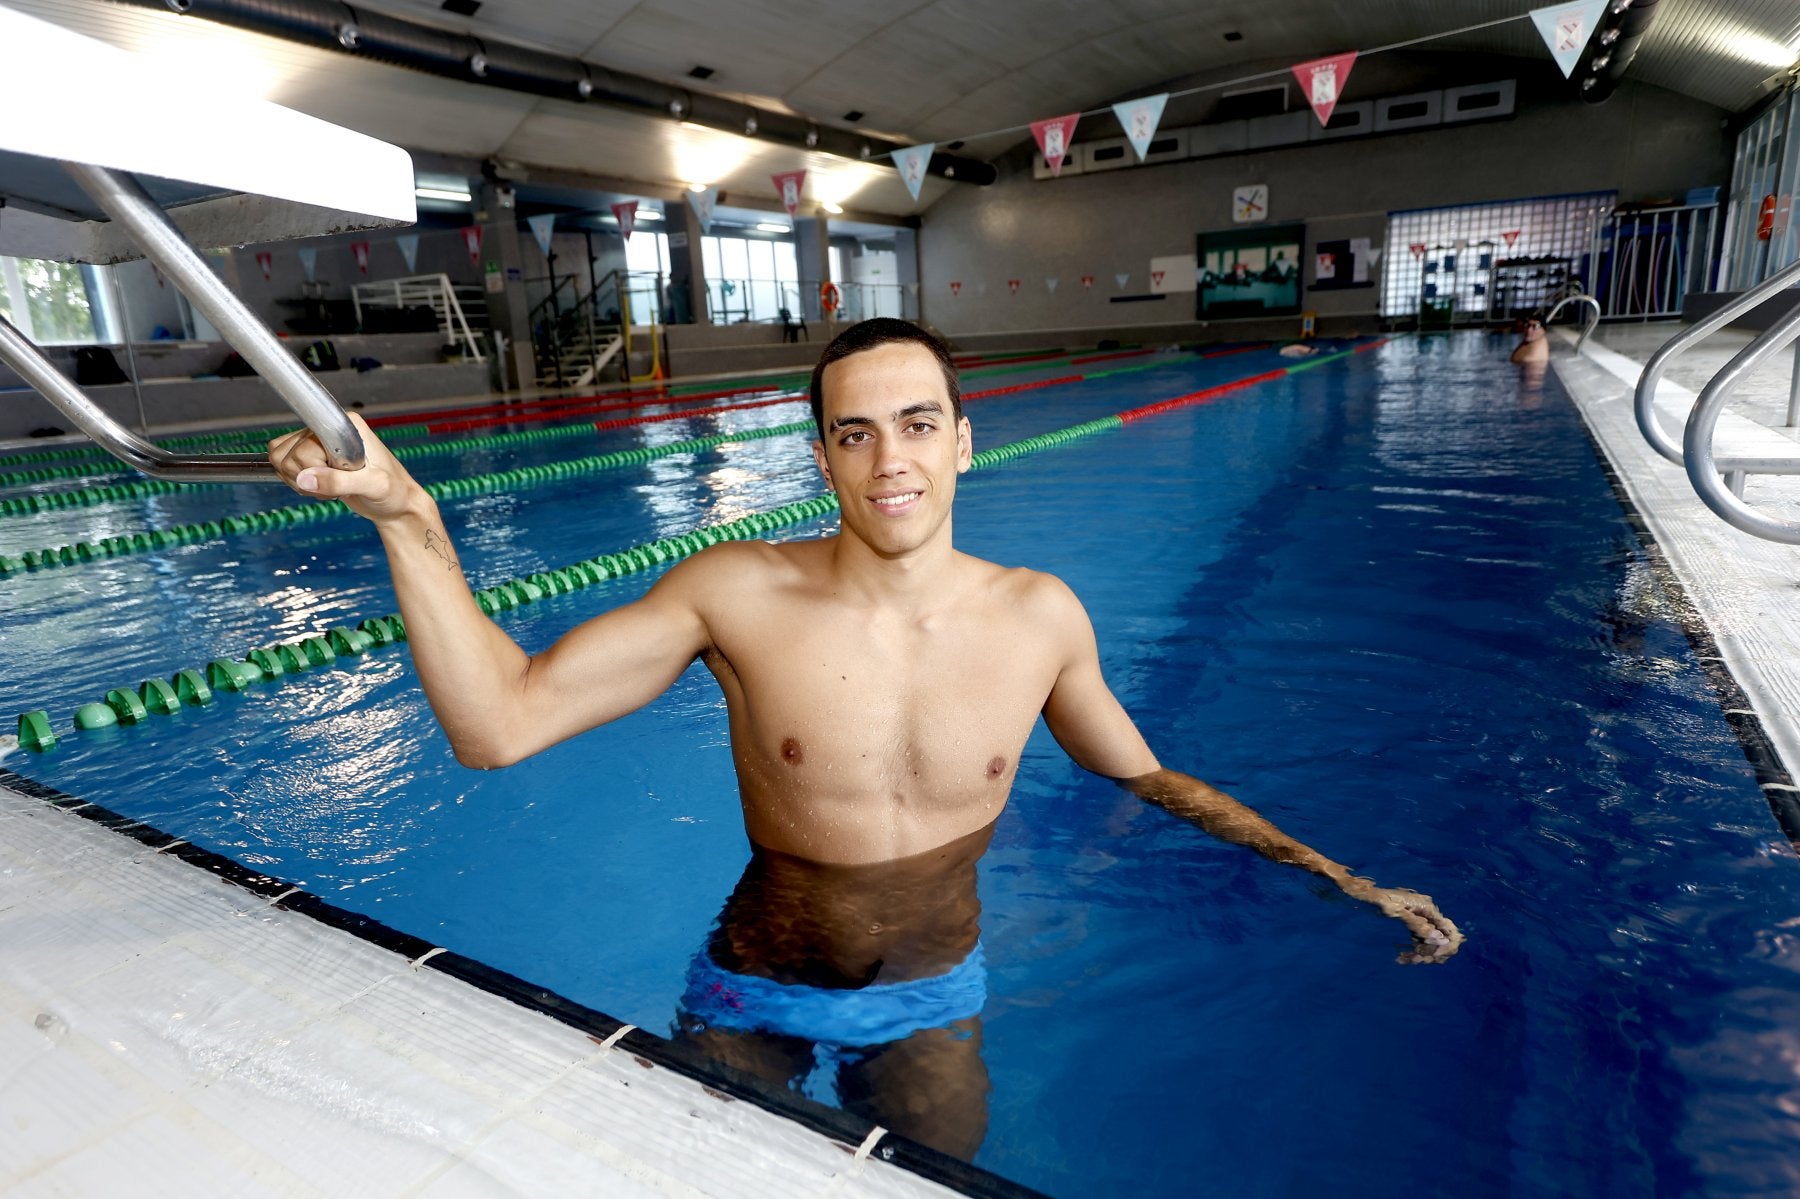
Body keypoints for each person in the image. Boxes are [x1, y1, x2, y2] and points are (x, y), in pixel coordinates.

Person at [267, 318, 1462, 1150]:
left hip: (929, 995)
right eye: (855, 432)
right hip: (751, 983)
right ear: (826, 455)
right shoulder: (733, 593)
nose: (892, 459)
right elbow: (499, 724)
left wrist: (1342, 877)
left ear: (964, 437)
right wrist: (408, 517)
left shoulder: (1039, 615)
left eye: (918, 422)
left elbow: (1147, 774)